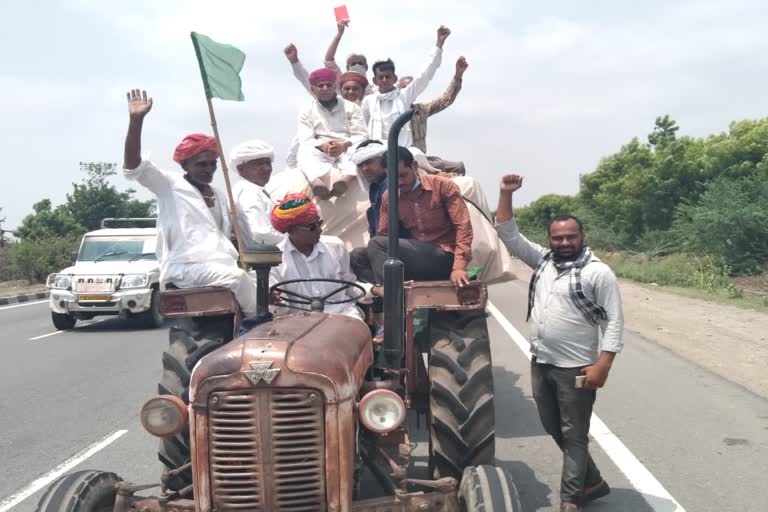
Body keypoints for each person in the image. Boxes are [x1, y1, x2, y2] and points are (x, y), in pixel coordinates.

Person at [495, 174, 623, 511]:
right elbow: (508, 233)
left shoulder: (599, 273)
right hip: (542, 361)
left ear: (582, 237)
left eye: (570, 236)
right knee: (554, 427)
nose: (564, 242)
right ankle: (592, 482)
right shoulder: (544, 261)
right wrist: (505, 193)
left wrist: (603, 364)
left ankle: (570, 500)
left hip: (576, 369)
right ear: (550, 240)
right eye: (558, 237)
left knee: (575, 434)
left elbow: (615, 321)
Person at [121, 89, 258, 317]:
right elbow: (133, 166)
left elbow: (230, 234)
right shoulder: (169, 185)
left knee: (262, 280)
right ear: (185, 165)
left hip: (220, 264)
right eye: (201, 164)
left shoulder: (219, 194)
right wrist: (136, 121)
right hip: (186, 267)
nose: (208, 170)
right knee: (239, 279)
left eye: (212, 164)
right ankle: (258, 326)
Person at [353, 146, 472, 291]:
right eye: (394, 178)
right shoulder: (389, 196)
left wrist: (458, 268)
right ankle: (387, 294)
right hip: (414, 256)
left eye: (403, 175)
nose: (400, 182)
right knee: (357, 256)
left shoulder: (442, 186)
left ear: (414, 166)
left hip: (443, 255)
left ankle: (393, 298)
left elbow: (463, 227)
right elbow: (384, 234)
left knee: (376, 244)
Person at [269, 193, 371, 321]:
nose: (320, 230)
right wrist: (273, 301)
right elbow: (279, 309)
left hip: (343, 315)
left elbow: (351, 286)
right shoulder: (275, 258)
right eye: (312, 227)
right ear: (291, 230)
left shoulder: (336, 246)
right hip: (299, 322)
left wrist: (374, 290)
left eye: (319, 223)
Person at [362, 26, 450, 146]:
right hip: (376, 153)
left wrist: (439, 44)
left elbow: (425, 74)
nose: (384, 80)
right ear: (375, 80)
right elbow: (363, 130)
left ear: (395, 78)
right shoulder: (369, 101)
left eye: (387, 77)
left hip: (403, 152)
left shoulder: (404, 95)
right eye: (380, 77)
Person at [297, 67, 368, 200]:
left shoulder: (352, 107)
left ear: (335, 87)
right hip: (320, 150)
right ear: (313, 89)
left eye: (328, 85)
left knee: (362, 150)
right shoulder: (306, 111)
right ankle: (316, 183)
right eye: (320, 85)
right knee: (303, 151)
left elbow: (361, 135)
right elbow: (306, 139)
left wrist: (343, 145)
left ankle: (346, 180)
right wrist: (323, 146)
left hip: (347, 148)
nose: (325, 88)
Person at [230, 139, 284, 248]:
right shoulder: (248, 191)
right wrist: (295, 239)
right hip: (268, 260)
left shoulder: (254, 189)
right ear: (241, 168)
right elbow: (260, 234)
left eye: (268, 163)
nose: (267, 168)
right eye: (259, 164)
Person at [410, 56, 468, 153]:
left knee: (457, 167)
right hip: (400, 161)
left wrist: (458, 75)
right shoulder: (391, 113)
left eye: (411, 89)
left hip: (421, 159)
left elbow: (445, 100)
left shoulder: (421, 109)